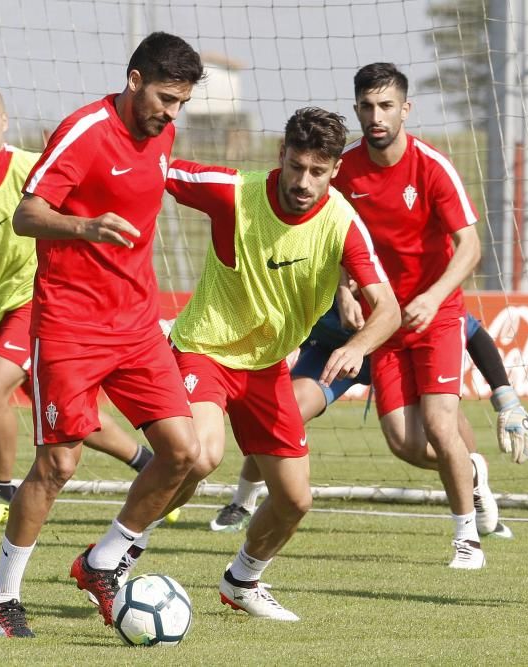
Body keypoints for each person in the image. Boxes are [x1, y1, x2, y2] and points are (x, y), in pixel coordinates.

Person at [0, 33, 205, 638]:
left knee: (185, 453)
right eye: (164, 97)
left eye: (181, 102)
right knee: (58, 463)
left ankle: (101, 562)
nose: (170, 112)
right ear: (134, 80)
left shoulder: (164, 132)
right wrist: (85, 226)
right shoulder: (84, 130)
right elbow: (27, 213)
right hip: (71, 325)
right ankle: (0, 600)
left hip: (137, 325)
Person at [136, 106, 397, 622]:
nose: (304, 182)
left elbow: (387, 307)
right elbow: (153, 168)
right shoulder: (235, 190)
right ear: (282, 155)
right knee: (200, 456)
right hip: (206, 348)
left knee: (295, 501)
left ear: (334, 170)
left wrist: (356, 347)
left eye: (317, 172)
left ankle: (242, 581)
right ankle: (117, 552)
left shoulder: (342, 222)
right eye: (296, 167)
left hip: (268, 365)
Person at [0, 84, 155, 537]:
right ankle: (148, 464)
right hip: (7, 310)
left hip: (46, 301)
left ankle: (0, 492)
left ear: (4, 122)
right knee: (66, 414)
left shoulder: (32, 167)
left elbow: (90, 209)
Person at [331, 62, 528, 571]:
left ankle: (466, 538)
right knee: (405, 444)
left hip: (437, 316)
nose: (375, 116)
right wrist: (345, 288)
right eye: (366, 106)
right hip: (385, 324)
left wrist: (433, 296)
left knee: (440, 423)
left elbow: (469, 248)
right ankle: (474, 473)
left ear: (405, 109)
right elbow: (336, 237)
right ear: (357, 109)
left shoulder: (432, 166)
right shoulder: (345, 171)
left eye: (386, 106)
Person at [211, 303, 527, 541]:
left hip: (399, 356)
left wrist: (506, 397)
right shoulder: (310, 277)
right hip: (332, 355)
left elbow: (470, 331)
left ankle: (473, 482)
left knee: (441, 425)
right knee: (280, 411)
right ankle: (243, 502)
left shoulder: (394, 282)